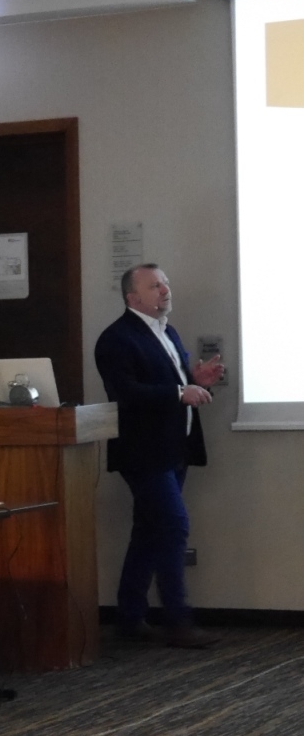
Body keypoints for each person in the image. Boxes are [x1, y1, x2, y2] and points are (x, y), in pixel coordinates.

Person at [94, 263, 224, 648]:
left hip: (174, 447)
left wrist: (194, 380)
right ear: (133, 297)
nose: (165, 290)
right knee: (173, 526)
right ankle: (177, 621)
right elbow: (126, 392)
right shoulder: (116, 339)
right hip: (143, 452)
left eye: (165, 283)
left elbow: (170, 384)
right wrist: (179, 392)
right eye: (155, 286)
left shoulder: (169, 331)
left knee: (148, 531)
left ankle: (130, 618)